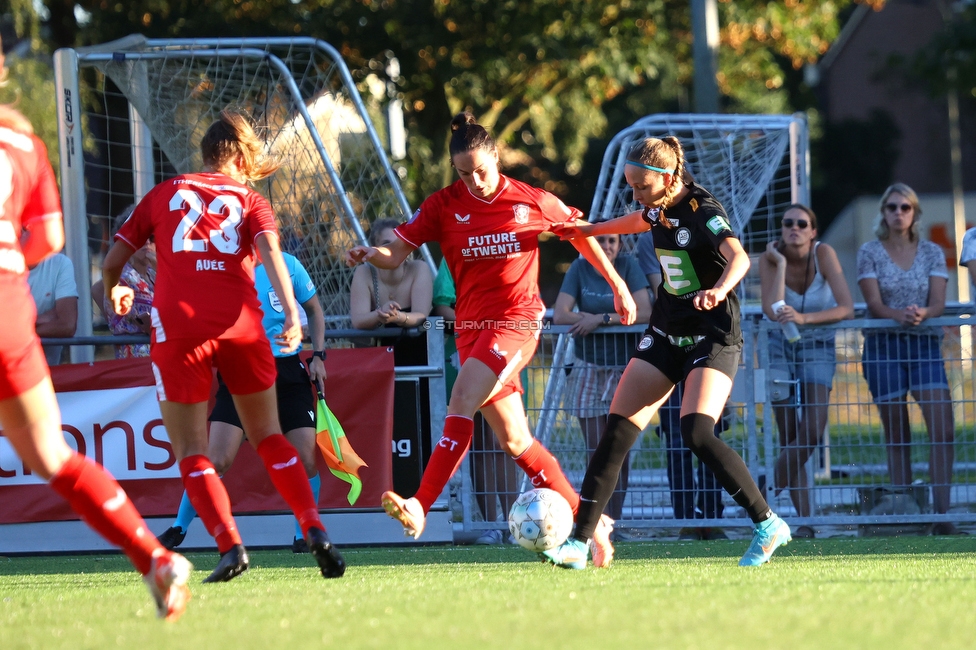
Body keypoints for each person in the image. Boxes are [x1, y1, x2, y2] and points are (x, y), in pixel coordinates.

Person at [344, 112, 637, 553]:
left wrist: (617, 286)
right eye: (464, 174)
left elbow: (579, 234)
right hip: (472, 330)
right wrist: (372, 253)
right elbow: (395, 253)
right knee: (516, 440)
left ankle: (421, 505)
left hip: (517, 321)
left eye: (481, 170)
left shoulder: (530, 200)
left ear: (496, 157)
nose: (475, 181)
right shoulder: (443, 205)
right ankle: (591, 523)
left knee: (461, 399)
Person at [102, 108, 345, 582]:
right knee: (270, 437)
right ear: (239, 155)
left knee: (193, 451)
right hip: (243, 328)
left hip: (180, 329)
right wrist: (293, 313)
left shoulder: (165, 193)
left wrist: (115, 287)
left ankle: (230, 546)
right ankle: (314, 528)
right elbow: (273, 254)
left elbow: (114, 259)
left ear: (208, 153)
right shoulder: (253, 201)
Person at [546, 135, 792, 569]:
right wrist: (590, 230)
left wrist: (718, 291)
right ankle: (578, 543)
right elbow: (637, 221)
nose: (637, 195)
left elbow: (739, 258)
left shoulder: (702, 210)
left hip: (712, 333)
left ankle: (767, 523)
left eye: (643, 186)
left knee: (696, 432)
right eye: (632, 187)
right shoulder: (656, 207)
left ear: (668, 177)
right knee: (616, 432)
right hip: (666, 330)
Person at [0, 81, 191, 619]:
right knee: (53, 458)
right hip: (13, 310)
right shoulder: (23, 141)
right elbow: (48, 241)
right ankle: (153, 556)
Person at [155, 250, 328, 553]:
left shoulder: (288, 264)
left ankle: (306, 533)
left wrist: (319, 356)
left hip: (287, 373)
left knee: (306, 458)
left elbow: (314, 310)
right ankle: (178, 528)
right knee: (216, 460)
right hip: (240, 370)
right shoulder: (219, 267)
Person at [856, 183, 957, 535]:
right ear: (883, 212)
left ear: (915, 213)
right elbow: (874, 303)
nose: (898, 213)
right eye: (892, 207)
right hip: (884, 347)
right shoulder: (870, 251)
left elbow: (939, 303)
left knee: (943, 430)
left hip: (925, 345)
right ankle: (905, 514)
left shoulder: (931, 251)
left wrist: (922, 312)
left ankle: (942, 515)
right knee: (897, 433)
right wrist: (897, 315)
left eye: (905, 207)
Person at [759, 204, 854, 538]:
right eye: (788, 223)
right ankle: (806, 523)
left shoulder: (823, 253)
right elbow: (773, 311)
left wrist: (805, 319)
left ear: (813, 231)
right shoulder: (771, 258)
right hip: (778, 344)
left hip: (817, 343)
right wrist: (781, 264)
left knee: (811, 431)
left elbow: (846, 307)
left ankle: (762, 491)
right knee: (789, 434)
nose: (794, 229)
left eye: (802, 224)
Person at [552, 229, 651, 522]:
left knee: (620, 449)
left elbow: (645, 311)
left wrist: (601, 319)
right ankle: (595, 519)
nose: (606, 245)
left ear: (620, 245)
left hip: (625, 367)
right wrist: (588, 320)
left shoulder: (628, 266)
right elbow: (560, 314)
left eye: (611, 240)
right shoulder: (580, 267)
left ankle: (615, 521)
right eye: (600, 240)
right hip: (588, 363)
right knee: (596, 449)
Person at [636, 229, 729, 540]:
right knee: (676, 440)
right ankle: (687, 518)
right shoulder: (647, 240)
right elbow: (662, 290)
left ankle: (713, 518)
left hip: (709, 343)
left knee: (706, 434)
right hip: (671, 343)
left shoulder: (706, 223)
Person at [432, 258, 520, 544]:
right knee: (481, 444)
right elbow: (441, 304)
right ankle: (491, 525)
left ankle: (515, 521)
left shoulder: (508, 244)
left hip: (506, 351)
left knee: (508, 441)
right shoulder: (454, 250)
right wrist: (473, 327)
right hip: (470, 354)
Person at [91, 206, 155, 358]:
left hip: (156, 361)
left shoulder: (152, 273)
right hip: (137, 363)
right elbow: (152, 324)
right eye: (139, 236)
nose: (146, 241)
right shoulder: (122, 277)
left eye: (151, 236)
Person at [350, 217, 432, 332]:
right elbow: (358, 320)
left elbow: (421, 316)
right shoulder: (364, 273)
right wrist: (380, 314)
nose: (393, 250)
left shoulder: (419, 269)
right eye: (386, 244)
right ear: (374, 248)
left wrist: (398, 317)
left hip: (417, 344)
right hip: (380, 347)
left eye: (398, 244)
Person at [27, 251, 78, 365]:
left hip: (46, 374)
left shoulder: (60, 263)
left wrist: (17, 331)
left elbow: (67, 325)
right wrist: (47, 317)